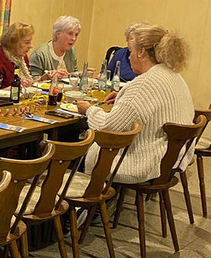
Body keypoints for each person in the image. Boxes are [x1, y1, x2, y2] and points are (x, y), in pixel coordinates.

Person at [76, 25, 194, 183]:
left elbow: (108, 127)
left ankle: (83, 200)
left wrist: (88, 110)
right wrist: (123, 98)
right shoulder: (174, 76)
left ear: (141, 52)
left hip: (143, 163)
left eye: (130, 52)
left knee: (74, 151)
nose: (129, 57)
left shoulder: (144, 84)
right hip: (171, 159)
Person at [29, 15, 94, 79]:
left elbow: (72, 74)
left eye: (76, 35)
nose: (74, 38)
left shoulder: (71, 50)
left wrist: (81, 74)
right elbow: (32, 81)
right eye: (70, 34)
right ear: (58, 34)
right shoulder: (40, 54)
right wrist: (48, 77)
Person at [0, 22, 40, 89]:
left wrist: (42, 79)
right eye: (26, 42)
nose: (31, 46)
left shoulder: (21, 57)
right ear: (13, 42)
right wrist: (15, 87)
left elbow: (29, 83)